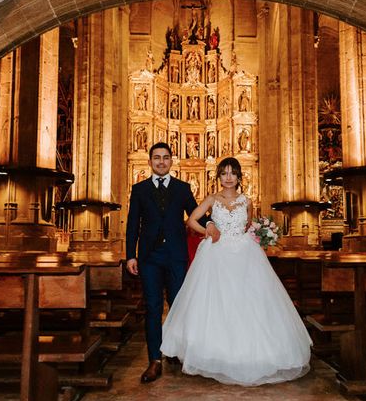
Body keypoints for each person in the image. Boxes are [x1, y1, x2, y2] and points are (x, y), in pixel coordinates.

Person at [161, 157, 312, 386]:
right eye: (224, 173)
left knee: (248, 301)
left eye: (232, 173)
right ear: (219, 177)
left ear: (239, 176)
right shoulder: (212, 199)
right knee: (217, 302)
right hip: (216, 254)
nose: (228, 177)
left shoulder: (247, 201)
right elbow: (191, 220)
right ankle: (216, 354)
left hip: (244, 254)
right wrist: (208, 230)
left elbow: (247, 226)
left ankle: (251, 354)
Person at [126, 142, 220, 383]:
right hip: (149, 257)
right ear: (150, 161)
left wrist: (210, 224)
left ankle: (177, 351)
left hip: (176, 256)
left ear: (171, 161)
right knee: (153, 308)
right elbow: (132, 224)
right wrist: (130, 255)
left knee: (179, 305)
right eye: (156, 157)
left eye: (165, 157)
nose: (161, 161)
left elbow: (195, 212)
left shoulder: (182, 188)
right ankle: (154, 360)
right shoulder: (139, 189)